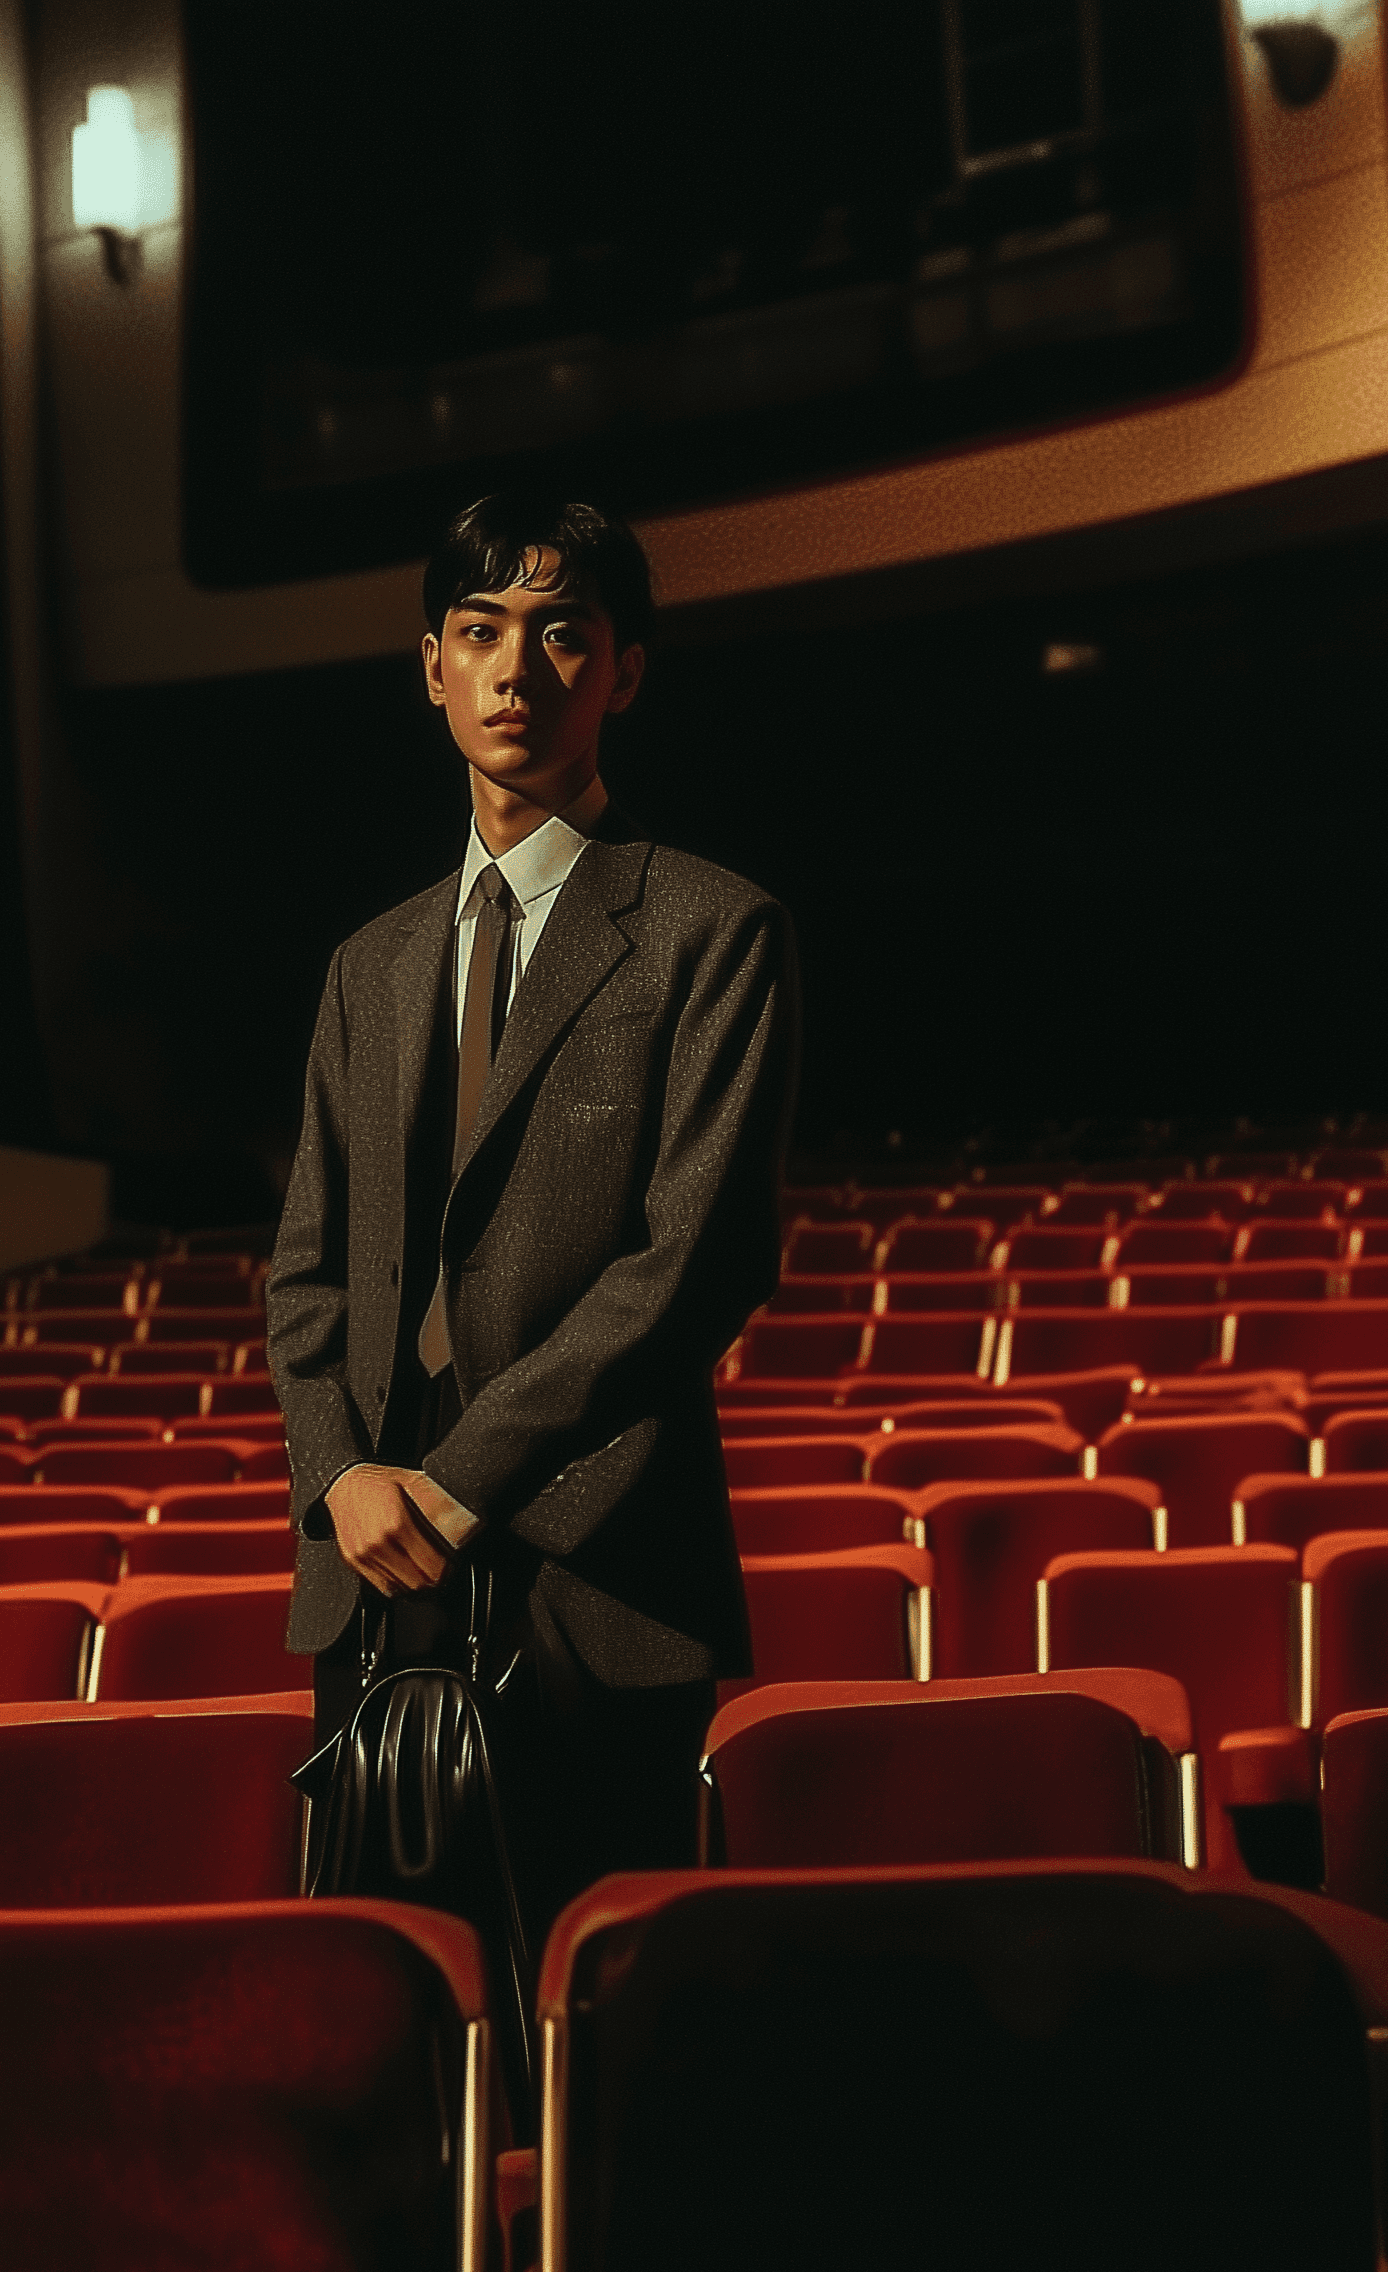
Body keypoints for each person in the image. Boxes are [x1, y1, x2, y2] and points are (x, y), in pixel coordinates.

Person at [266, 490, 799, 1958]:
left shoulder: (712, 928)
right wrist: (343, 1479)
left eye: (565, 633)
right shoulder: (366, 966)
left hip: (599, 1560)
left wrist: (460, 1481)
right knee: (394, 2000)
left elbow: (698, 1258)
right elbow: (306, 1271)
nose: (518, 671)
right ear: (429, 664)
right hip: (377, 1571)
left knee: (598, 2006)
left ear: (626, 669)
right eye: (482, 632)